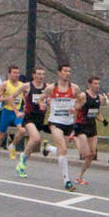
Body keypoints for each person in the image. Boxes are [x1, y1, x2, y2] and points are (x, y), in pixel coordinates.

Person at [44, 63, 81, 191]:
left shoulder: (74, 88)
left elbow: (81, 101)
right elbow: (40, 99)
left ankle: (48, 148)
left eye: (69, 71)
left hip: (68, 122)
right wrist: (45, 103)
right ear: (59, 72)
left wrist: (75, 107)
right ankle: (67, 180)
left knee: (61, 150)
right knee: (64, 149)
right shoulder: (51, 88)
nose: (67, 73)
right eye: (65, 71)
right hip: (55, 122)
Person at [11, 67, 49, 176]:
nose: (41, 76)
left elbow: (50, 99)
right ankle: (23, 157)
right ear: (33, 75)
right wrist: (16, 112)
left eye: (43, 74)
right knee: (36, 138)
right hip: (29, 117)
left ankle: (22, 164)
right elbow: (11, 97)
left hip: (40, 118)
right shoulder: (27, 86)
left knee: (33, 142)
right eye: (39, 74)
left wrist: (47, 103)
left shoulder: (47, 87)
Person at [0, 66, 27, 165]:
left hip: (17, 112)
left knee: (22, 130)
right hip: (6, 112)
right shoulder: (5, 85)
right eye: (14, 73)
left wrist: (25, 108)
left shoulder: (22, 85)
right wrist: (4, 99)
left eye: (18, 73)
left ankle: (13, 145)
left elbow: (26, 97)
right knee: (1, 135)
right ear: (9, 74)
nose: (16, 75)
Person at [73, 76, 105, 184]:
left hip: (92, 126)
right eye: (95, 83)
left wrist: (103, 120)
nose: (97, 86)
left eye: (98, 84)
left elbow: (96, 112)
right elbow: (75, 107)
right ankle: (75, 138)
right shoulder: (83, 95)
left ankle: (80, 176)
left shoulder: (99, 98)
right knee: (85, 154)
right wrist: (78, 104)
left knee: (92, 154)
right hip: (81, 125)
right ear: (89, 85)